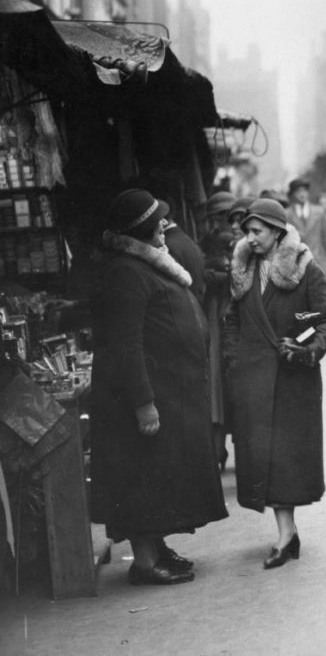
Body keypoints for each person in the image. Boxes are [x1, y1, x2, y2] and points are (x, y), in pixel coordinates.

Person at [90, 189, 227, 585]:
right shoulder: (125, 272)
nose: (165, 228)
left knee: (161, 477)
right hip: (145, 399)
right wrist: (144, 403)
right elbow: (125, 344)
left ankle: (158, 548)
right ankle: (145, 562)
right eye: (158, 223)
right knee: (145, 479)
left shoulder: (143, 264)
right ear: (143, 230)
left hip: (170, 393)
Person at [223, 198, 326, 569]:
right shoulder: (242, 270)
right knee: (264, 459)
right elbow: (233, 321)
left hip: (292, 380)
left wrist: (305, 348)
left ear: (277, 232)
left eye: (257, 231)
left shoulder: (306, 270)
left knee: (285, 461)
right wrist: (234, 358)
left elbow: (324, 321)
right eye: (247, 232)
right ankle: (287, 533)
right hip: (253, 380)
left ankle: (286, 535)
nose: (250, 238)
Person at [199, 190, 237, 469]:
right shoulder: (209, 241)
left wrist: (217, 276)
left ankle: (226, 446)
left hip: (229, 312)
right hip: (215, 313)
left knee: (227, 382)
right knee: (218, 383)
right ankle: (218, 446)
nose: (222, 222)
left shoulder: (240, 243)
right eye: (218, 217)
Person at [286, 178, 326, 279]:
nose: (302, 194)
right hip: (297, 264)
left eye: (304, 191)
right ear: (293, 194)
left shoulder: (319, 212)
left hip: (319, 262)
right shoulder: (287, 214)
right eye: (298, 191)